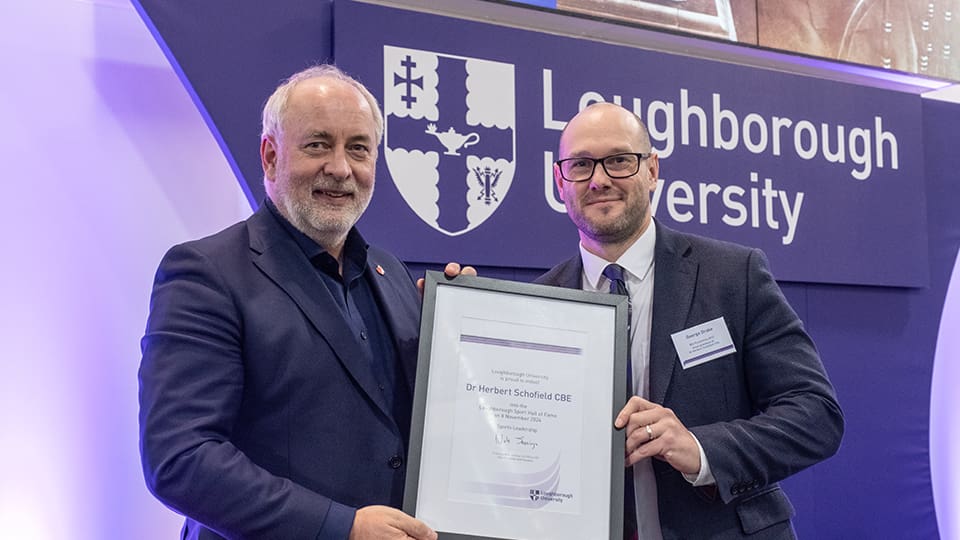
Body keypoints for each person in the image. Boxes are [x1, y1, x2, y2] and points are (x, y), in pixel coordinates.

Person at [139, 65, 469, 540]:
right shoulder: (205, 274)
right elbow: (180, 457)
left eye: (358, 148)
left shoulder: (391, 273)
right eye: (318, 144)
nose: (340, 168)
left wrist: (467, 328)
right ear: (270, 156)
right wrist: (341, 528)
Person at [536, 102, 844, 539]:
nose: (599, 179)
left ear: (652, 169)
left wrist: (701, 449)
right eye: (581, 164)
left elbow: (817, 415)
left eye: (619, 160)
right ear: (559, 179)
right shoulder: (536, 305)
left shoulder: (733, 275)